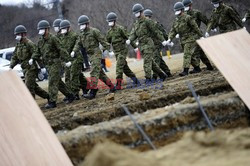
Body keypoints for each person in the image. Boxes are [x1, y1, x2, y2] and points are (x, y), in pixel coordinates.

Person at [30, 20, 74, 109]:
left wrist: (67, 60)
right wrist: (33, 58)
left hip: (55, 63)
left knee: (52, 82)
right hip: (48, 65)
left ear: (47, 29)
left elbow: (61, 49)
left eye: (42, 29)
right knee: (58, 82)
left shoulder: (53, 38)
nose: (41, 31)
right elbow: (37, 52)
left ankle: (52, 101)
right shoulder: (40, 41)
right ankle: (70, 95)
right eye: (40, 29)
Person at [72, 15, 116, 99]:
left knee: (94, 72)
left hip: (96, 54)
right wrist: (74, 51)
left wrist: (109, 50)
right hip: (90, 56)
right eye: (80, 25)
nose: (81, 26)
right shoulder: (81, 35)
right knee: (99, 73)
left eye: (83, 24)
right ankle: (112, 87)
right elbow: (78, 44)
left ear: (87, 24)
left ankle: (93, 90)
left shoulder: (94, 31)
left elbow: (102, 40)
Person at [127, 3, 168, 83]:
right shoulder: (136, 24)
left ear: (141, 12)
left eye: (137, 12)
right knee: (151, 62)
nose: (136, 14)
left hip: (148, 44)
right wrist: (130, 39)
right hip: (142, 45)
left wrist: (163, 40)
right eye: (135, 13)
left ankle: (148, 78)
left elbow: (156, 31)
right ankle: (162, 75)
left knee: (147, 62)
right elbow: (134, 34)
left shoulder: (147, 21)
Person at [10, 25, 49, 101]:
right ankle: (48, 96)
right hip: (24, 69)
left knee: (28, 87)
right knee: (33, 86)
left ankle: (32, 105)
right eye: (16, 34)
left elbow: (37, 54)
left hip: (31, 69)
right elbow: (15, 57)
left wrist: (42, 66)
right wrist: (11, 66)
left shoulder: (29, 43)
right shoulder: (18, 45)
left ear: (23, 34)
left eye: (18, 34)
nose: (17, 36)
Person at [106, 12, 141, 90]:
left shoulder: (120, 29)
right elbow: (107, 43)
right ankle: (136, 81)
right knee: (125, 68)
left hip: (123, 51)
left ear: (115, 21)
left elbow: (129, 38)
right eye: (109, 21)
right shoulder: (109, 32)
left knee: (119, 67)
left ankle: (118, 85)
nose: (110, 23)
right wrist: (109, 51)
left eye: (111, 21)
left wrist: (135, 47)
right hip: (116, 53)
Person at [167, 2, 203, 76]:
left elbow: (195, 27)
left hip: (190, 39)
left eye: (178, 10)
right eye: (176, 10)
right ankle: (197, 68)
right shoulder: (176, 20)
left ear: (182, 10)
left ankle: (185, 71)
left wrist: (201, 36)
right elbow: (173, 30)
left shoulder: (188, 18)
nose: (177, 12)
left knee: (187, 54)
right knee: (190, 55)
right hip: (183, 40)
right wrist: (169, 39)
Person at [59, 19, 89, 100]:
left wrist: (74, 51)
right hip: (68, 60)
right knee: (75, 76)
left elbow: (77, 44)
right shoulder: (62, 38)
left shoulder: (74, 35)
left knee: (73, 75)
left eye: (64, 28)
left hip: (76, 58)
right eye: (62, 29)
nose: (63, 30)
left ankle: (75, 93)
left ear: (69, 28)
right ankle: (86, 86)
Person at [182, 0, 214, 71]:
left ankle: (197, 68)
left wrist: (210, 28)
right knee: (200, 52)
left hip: (197, 34)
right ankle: (208, 65)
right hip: (189, 36)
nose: (187, 8)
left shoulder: (197, 13)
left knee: (194, 52)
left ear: (191, 5)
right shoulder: (183, 15)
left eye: (188, 6)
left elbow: (206, 20)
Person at [143, 9, 172, 79]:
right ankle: (167, 72)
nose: (145, 18)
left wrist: (168, 40)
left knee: (156, 58)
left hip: (157, 44)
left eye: (146, 16)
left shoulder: (155, 24)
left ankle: (155, 76)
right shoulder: (144, 25)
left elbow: (163, 32)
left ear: (149, 16)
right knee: (159, 59)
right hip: (150, 45)